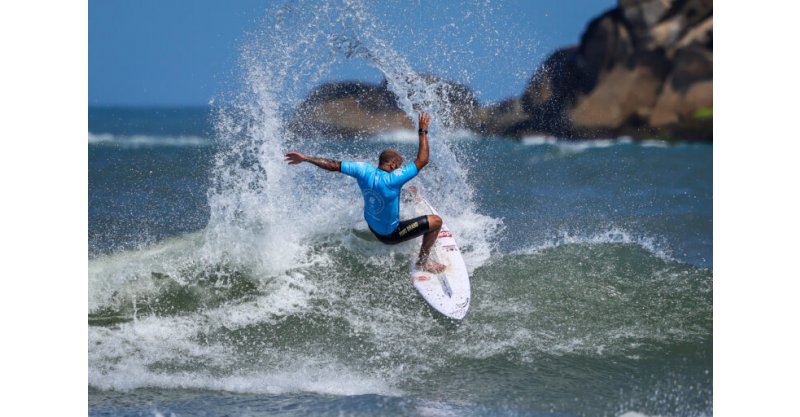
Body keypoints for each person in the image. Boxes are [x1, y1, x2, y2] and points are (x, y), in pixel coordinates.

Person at [285, 112, 445, 273]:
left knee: (403, 192)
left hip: (372, 226)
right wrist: (422, 130)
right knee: (436, 221)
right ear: (392, 164)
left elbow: (332, 164)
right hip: (390, 234)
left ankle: (412, 196)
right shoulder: (393, 180)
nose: (400, 169)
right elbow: (423, 160)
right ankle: (423, 262)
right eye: (399, 166)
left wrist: (306, 158)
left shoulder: (363, 170)